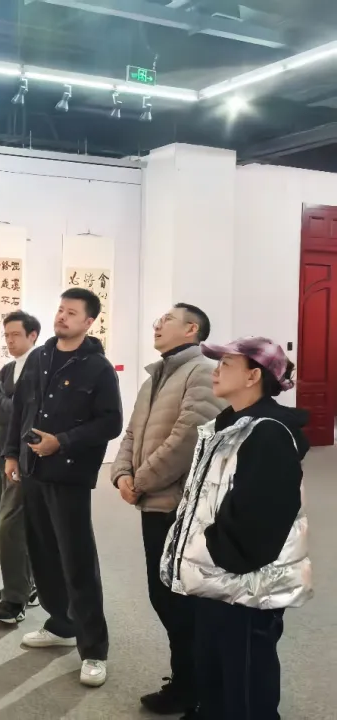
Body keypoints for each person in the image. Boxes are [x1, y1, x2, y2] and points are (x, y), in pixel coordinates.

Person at [160, 337, 311, 720]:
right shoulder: (226, 426)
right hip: (216, 580)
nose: (216, 371)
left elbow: (261, 522)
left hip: (243, 588)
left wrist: (218, 553)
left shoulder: (268, 433)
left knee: (245, 687)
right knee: (215, 677)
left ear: (253, 376)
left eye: (226, 364)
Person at [2, 287, 123, 688]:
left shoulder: (98, 368)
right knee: (43, 554)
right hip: (33, 471)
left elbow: (111, 423)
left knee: (77, 561)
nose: (62, 317)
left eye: (71, 313)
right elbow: (20, 410)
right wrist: (11, 453)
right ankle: (60, 623)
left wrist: (63, 442)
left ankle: (94, 650)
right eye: (60, 310)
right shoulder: (39, 357)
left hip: (68, 475)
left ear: (89, 322)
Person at [110, 304, 224, 715]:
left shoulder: (202, 371)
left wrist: (140, 481)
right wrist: (121, 474)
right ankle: (186, 680)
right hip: (153, 503)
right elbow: (131, 433)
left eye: (167, 320)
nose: (157, 324)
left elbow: (189, 437)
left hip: (180, 507)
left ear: (192, 329)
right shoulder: (156, 376)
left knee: (182, 601)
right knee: (164, 596)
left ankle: (194, 686)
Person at [0, 311, 41, 625]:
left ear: (33, 335)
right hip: (3, 453)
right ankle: (22, 585)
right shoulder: (8, 369)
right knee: (8, 522)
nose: (9, 340)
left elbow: (29, 411)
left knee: (10, 527)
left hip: (25, 458)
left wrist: (7, 403)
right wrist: (10, 403)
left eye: (16, 334)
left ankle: (15, 599)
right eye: (6, 335)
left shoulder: (42, 367)